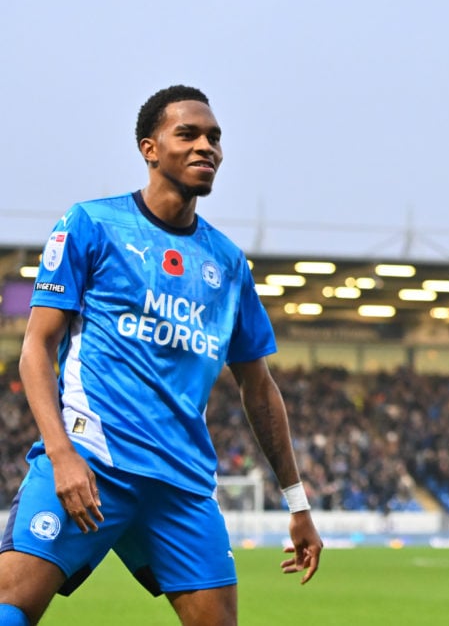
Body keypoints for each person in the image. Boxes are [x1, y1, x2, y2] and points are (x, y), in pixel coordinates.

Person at [0, 85, 322, 626]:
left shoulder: (228, 265)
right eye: (189, 134)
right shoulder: (92, 225)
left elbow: (259, 387)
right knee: (9, 608)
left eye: (215, 138)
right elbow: (36, 346)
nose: (207, 147)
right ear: (150, 149)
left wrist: (298, 503)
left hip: (181, 484)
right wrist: (60, 455)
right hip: (92, 461)